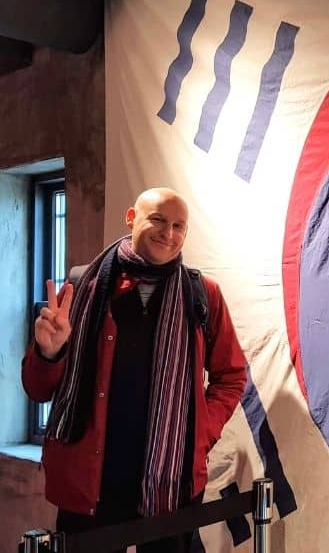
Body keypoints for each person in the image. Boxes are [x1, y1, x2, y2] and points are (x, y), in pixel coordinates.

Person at [22, 187, 247, 553]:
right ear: (131, 218)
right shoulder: (83, 287)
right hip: (92, 481)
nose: (168, 233)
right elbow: (37, 389)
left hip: (170, 481)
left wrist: (201, 431)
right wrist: (49, 353)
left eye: (179, 226)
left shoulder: (202, 293)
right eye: (158, 219)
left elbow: (232, 375)